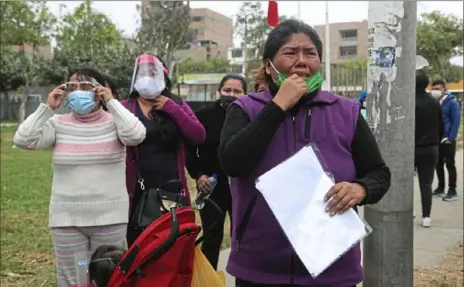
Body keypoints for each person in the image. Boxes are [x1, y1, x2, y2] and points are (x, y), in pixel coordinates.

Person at [219, 20, 391, 287]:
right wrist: (277, 106)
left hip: (333, 269)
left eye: (310, 53)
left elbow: (379, 174)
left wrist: (360, 189)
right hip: (259, 269)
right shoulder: (245, 108)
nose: (301, 61)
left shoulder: (347, 112)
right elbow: (232, 162)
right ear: (268, 66)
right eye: (290, 53)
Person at [13, 68, 146, 287]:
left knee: (110, 279)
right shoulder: (58, 124)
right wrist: (47, 108)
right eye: (71, 87)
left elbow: (136, 134)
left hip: (109, 218)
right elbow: (23, 139)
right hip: (66, 219)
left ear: (99, 90)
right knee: (73, 281)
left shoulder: (115, 122)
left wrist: (112, 103)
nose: (77, 92)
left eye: (85, 87)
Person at [123, 54, 206, 246]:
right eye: (142, 72)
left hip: (173, 192)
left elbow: (198, 135)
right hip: (138, 194)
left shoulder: (176, 104)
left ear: (164, 76)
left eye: (153, 72)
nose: (147, 77)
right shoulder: (125, 107)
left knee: (174, 249)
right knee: (141, 251)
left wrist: (171, 108)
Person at [186, 73, 247, 270]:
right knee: (212, 238)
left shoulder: (251, 115)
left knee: (244, 238)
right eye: (227, 90)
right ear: (219, 91)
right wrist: (199, 174)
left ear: (245, 93)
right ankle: (208, 280)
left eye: (237, 91)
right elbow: (189, 149)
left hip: (242, 185)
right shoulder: (203, 115)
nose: (231, 94)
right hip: (211, 186)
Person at [414, 70, 444, 227]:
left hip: (412, 149)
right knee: (426, 183)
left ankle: (408, 211)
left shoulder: (410, 102)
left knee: (405, 181)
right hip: (431, 148)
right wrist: (435, 142)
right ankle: (426, 217)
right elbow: (441, 125)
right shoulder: (434, 102)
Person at [430, 79, 461, 201]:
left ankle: (452, 190)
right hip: (436, 138)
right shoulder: (433, 102)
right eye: (433, 89)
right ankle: (440, 187)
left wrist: (451, 137)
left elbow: (456, 121)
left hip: (447, 139)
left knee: (450, 164)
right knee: (438, 164)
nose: (435, 91)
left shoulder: (452, 102)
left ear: (444, 89)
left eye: (438, 89)